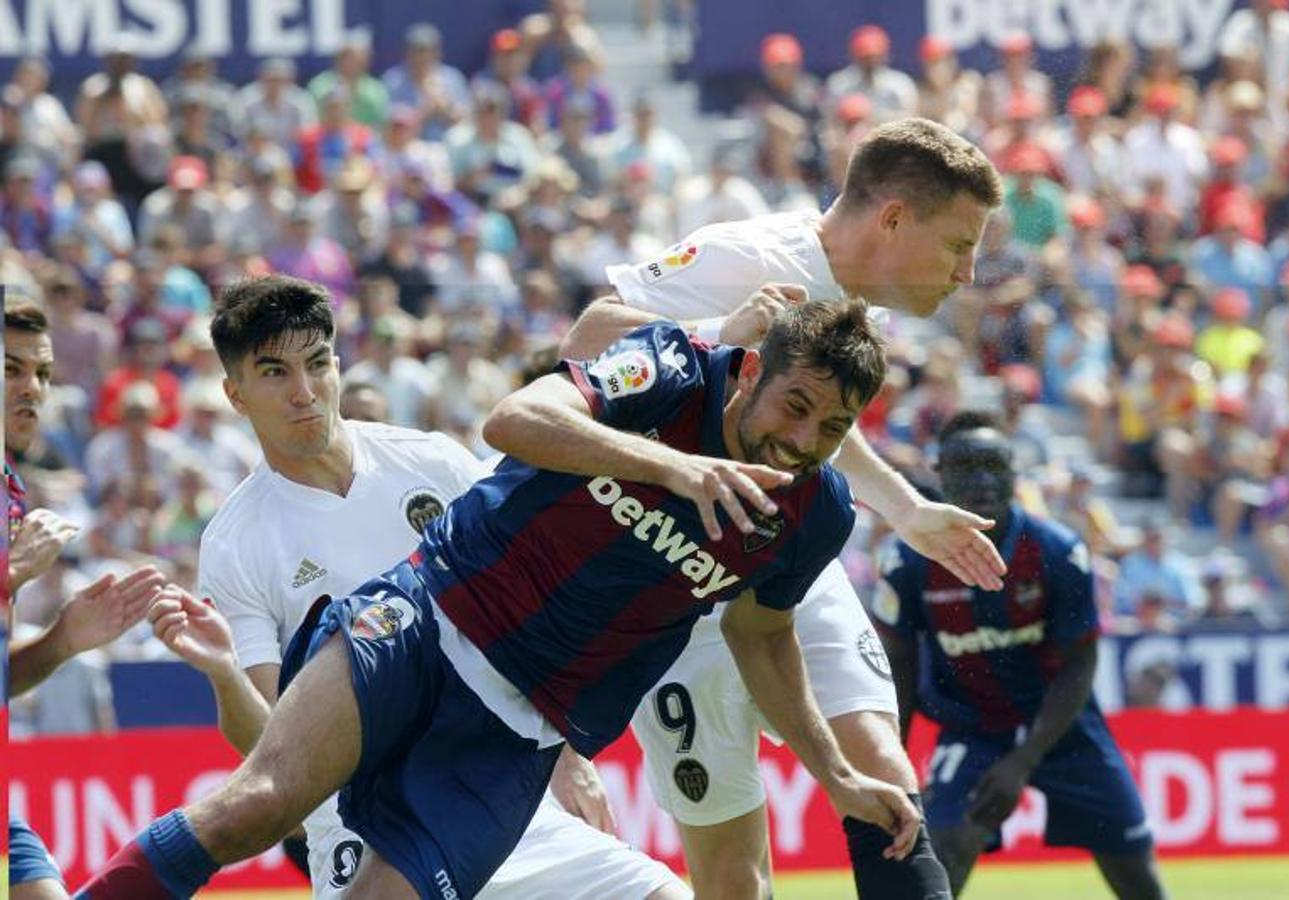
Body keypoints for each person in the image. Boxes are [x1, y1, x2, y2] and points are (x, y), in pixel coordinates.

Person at [77, 296, 914, 899]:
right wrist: (672, 467)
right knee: (252, 809)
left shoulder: (811, 512)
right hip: (422, 625)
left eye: (832, 429)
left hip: (515, 730)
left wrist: (834, 772)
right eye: (795, 407)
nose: (802, 441)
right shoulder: (667, 369)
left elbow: (763, 636)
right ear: (752, 373)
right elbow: (515, 419)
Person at [112, 275, 687, 900]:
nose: (304, 393)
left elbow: (526, 621)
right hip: (366, 828)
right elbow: (273, 748)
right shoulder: (236, 542)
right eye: (274, 373)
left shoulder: (433, 463)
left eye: (316, 364)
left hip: (494, 787)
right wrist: (225, 671)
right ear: (235, 394)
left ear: (337, 364)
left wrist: (571, 762)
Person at [560, 116, 1004, 900]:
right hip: (671, 581)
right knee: (733, 879)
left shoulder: (855, 306)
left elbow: (812, 429)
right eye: (957, 244)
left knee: (883, 778)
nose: (967, 272)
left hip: (783, 557)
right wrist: (715, 336)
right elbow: (587, 336)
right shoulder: (754, 258)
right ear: (893, 218)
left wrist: (904, 509)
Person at [871, 411, 1168, 899]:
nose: (983, 479)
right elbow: (897, 668)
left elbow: (1081, 663)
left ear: (1014, 471)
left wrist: (1025, 758)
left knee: (1137, 876)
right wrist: (894, 771)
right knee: (942, 845)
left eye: (994, 464)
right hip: (971, 728)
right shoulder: (906, 561)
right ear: (939, 473)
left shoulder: (1058, 551)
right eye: (966, 466)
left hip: (1063, 729)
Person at [7, 297, 166, 900]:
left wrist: (64, 639)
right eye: (11, 368)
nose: (32, 388)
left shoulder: (11, 493)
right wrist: (13, 572)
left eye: (42, 373)